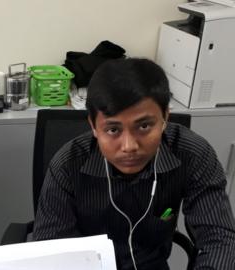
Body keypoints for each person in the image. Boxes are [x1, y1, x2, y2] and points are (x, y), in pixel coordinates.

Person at [33, 58, 235, 270]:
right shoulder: (67, 165)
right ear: (93, 126)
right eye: (113, 130)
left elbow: (220, 239)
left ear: (165, 116)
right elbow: (52, 251)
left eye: (144, 126)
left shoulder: (192, 154)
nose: (129, 146)